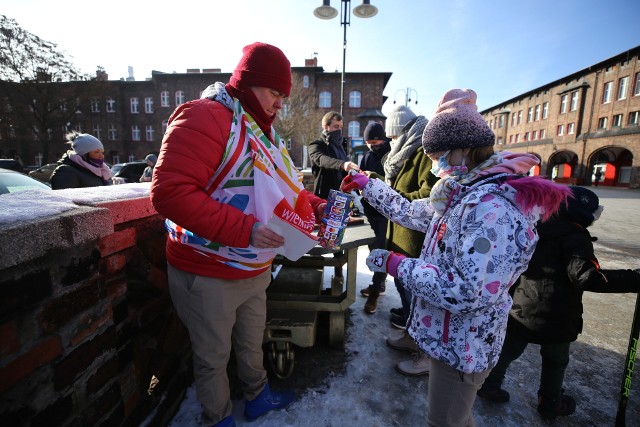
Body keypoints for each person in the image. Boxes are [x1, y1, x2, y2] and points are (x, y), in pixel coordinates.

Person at [341, 88, 570, 426]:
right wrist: (367, 184)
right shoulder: (460, 193)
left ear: (466, 149)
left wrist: (397, 264)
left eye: (440, 156)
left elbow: (467, 290)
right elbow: (408, 211)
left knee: (445, 422)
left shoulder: (491, 209)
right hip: (449, 339)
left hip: (464, 347)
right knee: (456, 419)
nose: (437, 167)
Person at [150, 42, 326, 427]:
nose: (280, 103)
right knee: (211, 356)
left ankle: (258, 395)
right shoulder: (205, 117)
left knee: (251, 345)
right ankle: (218, 418)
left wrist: (315, 206)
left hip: (253, 268)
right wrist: (245, 229)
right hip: (208, 270)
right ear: (246, 83)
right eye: (274, 92)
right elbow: (168, 192)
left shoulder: (266, 133)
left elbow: (288, 190)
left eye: (284, 95)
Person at [477, 186, 640, 420]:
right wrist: (633, 279)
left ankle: (488, 384)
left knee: (508, 350)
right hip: (559, 315)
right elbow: (586, 276)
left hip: (523, 307)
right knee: (556, 359)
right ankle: (550, 400)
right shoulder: (575, 238)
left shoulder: (536, 227)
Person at [372, 105, 438, 376]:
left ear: (404, 132)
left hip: (415, 238)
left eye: (392, 136)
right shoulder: (404, 152)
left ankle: (426, 354)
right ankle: (413, 337)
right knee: (405, 291)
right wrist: (374, 183)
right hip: (399, 234)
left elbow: (429, 195)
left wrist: (391, 197)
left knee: (419, 299)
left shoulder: (424, 152)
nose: (390, 142)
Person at [308, 112, 359, 281]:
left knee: (339, 242)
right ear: (326, 127)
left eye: (341, 127)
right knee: (318, 242)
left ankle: (338, 276)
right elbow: (321, 160)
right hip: (322, 200)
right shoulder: (316, 144)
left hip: (341, 199)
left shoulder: (340, 147)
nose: (339, 131)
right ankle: (315, 276)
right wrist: (343, 164)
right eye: (336, 127)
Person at [358, 122, 391, 314]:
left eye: (375, 141)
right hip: (370, 209)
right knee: (374, 249)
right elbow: (362, 180)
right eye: (368, 142)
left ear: (383, 138)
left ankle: (376, 290)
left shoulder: (390, 157)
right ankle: (379, 283)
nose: (371, 145)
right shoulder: (367, 156)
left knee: (380, 250)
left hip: (385, 213)